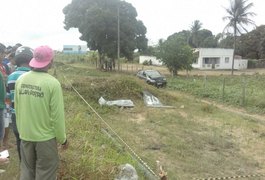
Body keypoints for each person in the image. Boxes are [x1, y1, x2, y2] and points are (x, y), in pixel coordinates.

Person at [15, 45, 68, 180]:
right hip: (45, 139)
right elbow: (57, 117)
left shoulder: (21, 80)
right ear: (50, 62)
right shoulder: (53, 84)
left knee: (27, 171)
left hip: (25, 136)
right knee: (45, 173)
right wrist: (63, 139)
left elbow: (18, 109)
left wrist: (22, 132)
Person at [7, 46, 33, 160]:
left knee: (19, 141)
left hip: (15, 115)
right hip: (30, 115)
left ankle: (23, 165)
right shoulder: (33, 76)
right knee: (30, 143)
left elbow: (8, 97)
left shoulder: (11, 76)